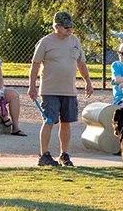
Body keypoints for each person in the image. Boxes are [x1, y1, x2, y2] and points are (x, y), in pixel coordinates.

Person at [28, 11, 94, 167]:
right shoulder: (45, 42)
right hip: (50, 90)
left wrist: (88, 82)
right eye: (65, 27)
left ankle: (64, 154)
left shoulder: (75, 41)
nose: (69, 29)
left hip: (69, 90)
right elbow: (35, 65)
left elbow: (81, 63)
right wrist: (32, 86)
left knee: (66, 122)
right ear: (56, 26)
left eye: (70, 26)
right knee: (49, 121)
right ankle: (44, 155)